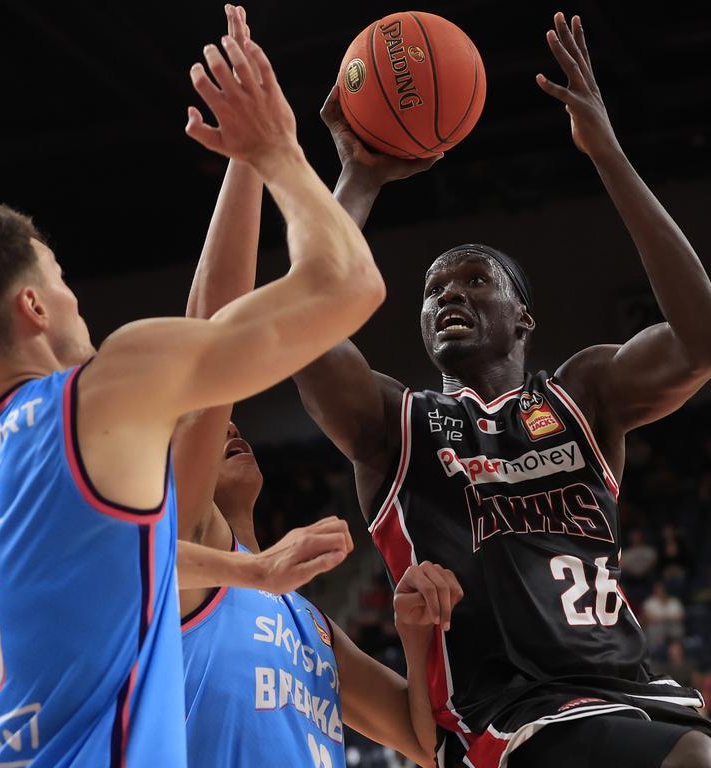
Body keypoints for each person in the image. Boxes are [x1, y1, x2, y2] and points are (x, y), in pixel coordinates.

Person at [294, 12, 711, 768]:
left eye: (474, 279)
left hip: (633, 695)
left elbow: (707, 341)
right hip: (504, 722)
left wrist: (608, 155)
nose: (448, 293)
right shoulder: (397, 425)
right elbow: (301, 331)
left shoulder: (584, 394)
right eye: (434, 287)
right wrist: (357, 179)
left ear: (523, 321)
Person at [0, 25, 383, 768]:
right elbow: (347, 285)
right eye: (60, 276)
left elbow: (107, 557)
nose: (74, 298)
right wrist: (278, 154)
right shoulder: (87, 403)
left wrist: (248, 572)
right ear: (33, 306)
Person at [171, 9, 464, 767]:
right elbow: (210, 348)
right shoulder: (188, 553)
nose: (234, 428)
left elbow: (420, 740)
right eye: (216, 427)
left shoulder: (304, 619)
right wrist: (252, 158)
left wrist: (412, 634)